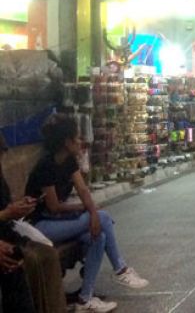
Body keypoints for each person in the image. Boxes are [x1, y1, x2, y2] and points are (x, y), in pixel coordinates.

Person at [26, 114, 148, 312]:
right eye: (77, 137)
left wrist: (91, 211)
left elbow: (83, 190)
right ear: (67, 142)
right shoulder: (46, 166)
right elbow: (54, 207)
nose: (81, 141)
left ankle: (85, 298)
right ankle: (121, 269)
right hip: (40, 227)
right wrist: (86, 210)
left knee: (97, 236)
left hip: (58, 221)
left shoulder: (69, 161)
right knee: (104, 218)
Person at [1, 132, 62, 313]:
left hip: (7, 232)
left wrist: (16, 208)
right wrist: (6, 214)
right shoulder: (46, 165)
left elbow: (4, 207)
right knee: (23, 263)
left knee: (48, 255)